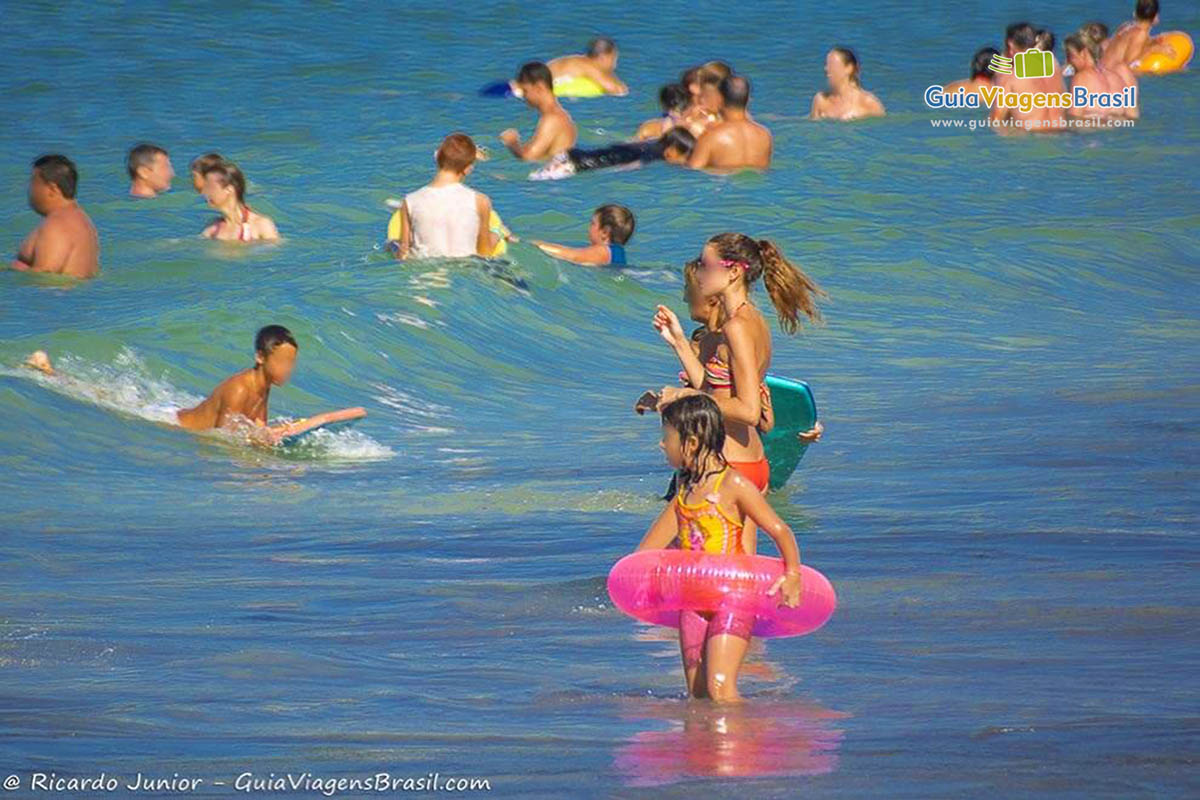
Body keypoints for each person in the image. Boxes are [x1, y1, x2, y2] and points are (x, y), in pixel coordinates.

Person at [633, 393, 803, 702]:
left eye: (666, 437)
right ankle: (701, 749)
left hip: (733, 598)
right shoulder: (686, 489)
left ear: (692, 443)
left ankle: (742, 746)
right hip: (693, 601)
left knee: (721, 688)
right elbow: (647, 554)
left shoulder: (733, 485)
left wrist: (792, 574)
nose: (661, 445)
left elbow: (780, 529)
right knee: (697, 694)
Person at [651, 233, 825, 496]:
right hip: (750, 464)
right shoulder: (751, 320)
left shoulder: (737, 327)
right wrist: (678, 342)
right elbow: (717, 391)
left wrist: (683, 395)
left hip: (726, 467)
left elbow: (748, 411)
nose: (698, 274)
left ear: (733, 272)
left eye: (705, 264)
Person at [25, 326, 362, 444]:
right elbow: (226, 439)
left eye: (292, 362)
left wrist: (273, 432)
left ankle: (49, 370)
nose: (288, 369)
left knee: (108, 394)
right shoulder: (240, 388)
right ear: (261, 357)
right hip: (169, 422)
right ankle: (49, 373)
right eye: (283, 362)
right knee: (99, 398)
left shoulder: (265, 385)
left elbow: (254, 425)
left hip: (180, 416)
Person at [393, 133, 499, 259]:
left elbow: (403, 255)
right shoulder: (480, 201)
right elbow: (484, 252)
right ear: (468, 169)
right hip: (467, 271)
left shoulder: (410, 201)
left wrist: (392, 246)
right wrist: (496, 236)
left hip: (427, 273)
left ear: (437, 157)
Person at [11, 155, 99, 279]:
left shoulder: (58, 225)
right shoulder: (81, 220)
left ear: (52, 189)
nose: (30, 190)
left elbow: (45, 280)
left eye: (33, 183)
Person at [529, 128, 695, 180]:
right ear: (671, 151)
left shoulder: (650, 142)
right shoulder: (651, 156)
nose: (684, 161)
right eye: (683, 156)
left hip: (572, 155)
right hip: (573, 166)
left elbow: (625, 143)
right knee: (533, 181)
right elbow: (628, 167)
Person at [990, 22, 1066, 133]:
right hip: (1062, 134)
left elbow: (996, 121)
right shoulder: (1055, 68)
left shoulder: (1010, 76)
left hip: (1033, 138)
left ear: (1010, 46)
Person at [688, 76, 772, 171]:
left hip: (723, 183)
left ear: (720, 99)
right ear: (748, 100)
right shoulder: (765, 135)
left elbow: (693, 171)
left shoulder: (710, 137)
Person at [500, 62, 578, 161]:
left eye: (525, 90)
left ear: (539, 87)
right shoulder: (562, 115)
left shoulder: (552, 118)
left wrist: (512, 141)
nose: (524, 96)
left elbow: (528, 156)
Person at [1066, 30, 1139, 120]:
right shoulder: (1117, 78)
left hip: (1091, 130)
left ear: (1083, 53)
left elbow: (1074, 116)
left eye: (1071, 56)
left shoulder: (1081, 77)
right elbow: (1132, 116)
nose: (1068, 61)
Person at [532, 204, 635, 266]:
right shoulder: (617, 252)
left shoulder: (603, 250)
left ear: (604, 232)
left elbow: (572, 256)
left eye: (593, 223)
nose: (589, 228)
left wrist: (529, 244)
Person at [200, 161, 279, 242]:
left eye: (210, 187)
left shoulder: (261, 225)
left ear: (229, 190)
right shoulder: (213, 227)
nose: (204, 192)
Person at [810, 47, 886, 121]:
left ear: (849, 68)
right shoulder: (821, 100)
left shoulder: (868, 102)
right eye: (826, 64)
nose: (826, 69)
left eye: (832, 64)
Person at [548, 37, 628, 96]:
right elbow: (618, 90)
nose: (615, 64)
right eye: (613, 58)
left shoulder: (577, 60)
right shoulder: (589, 66)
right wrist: (609, 71)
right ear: (604, 58)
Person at [1101, 0, 1167, 69]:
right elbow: (1128, 65)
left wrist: (1153, 41)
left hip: (1102, 68)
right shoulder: (1140, 34)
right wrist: (1152, 49)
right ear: (1155, 18)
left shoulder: (1126, 25)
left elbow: (1129, 46)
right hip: (1110, 75)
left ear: (1135, 13)